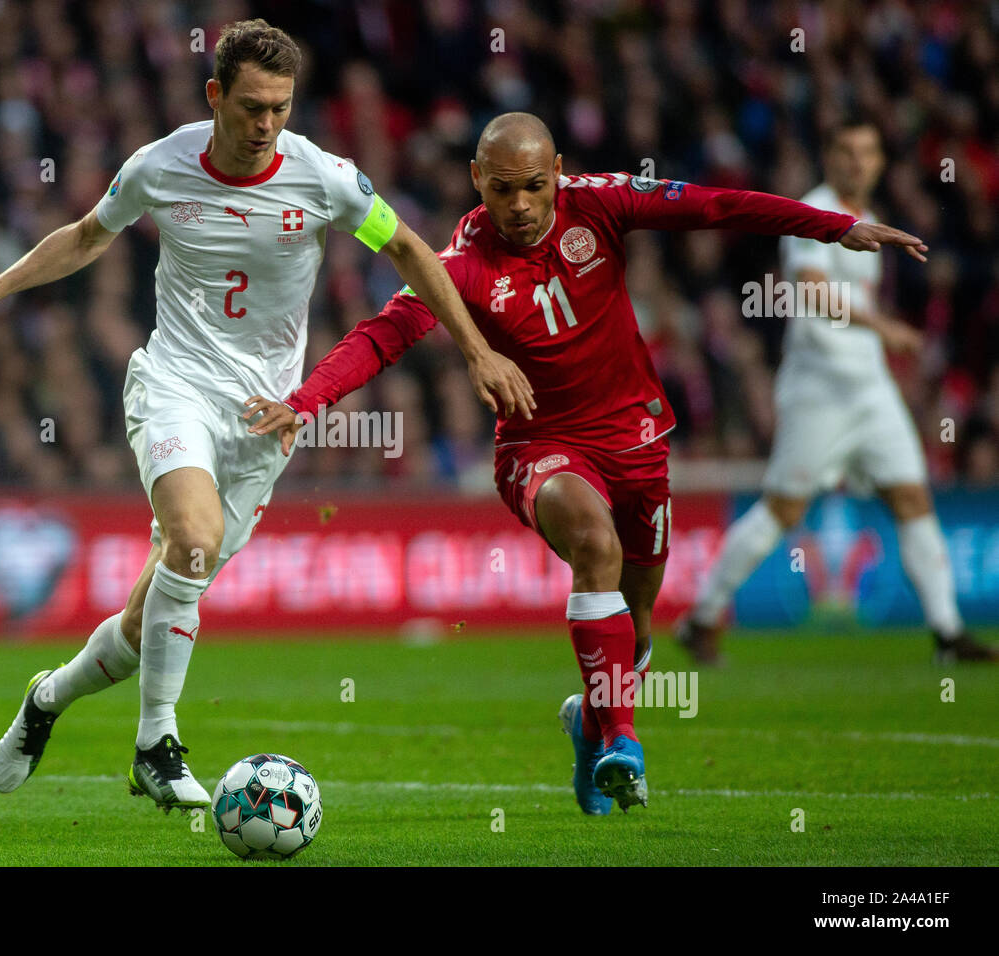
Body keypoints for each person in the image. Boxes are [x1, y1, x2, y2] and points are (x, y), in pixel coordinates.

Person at [245, 112, 929, 814]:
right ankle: (622, 745)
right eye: (502, 189)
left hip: (636, 438)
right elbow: (382, 335)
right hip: (539, 447)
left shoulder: (601, 200)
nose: (518, 205)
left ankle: (589, 721)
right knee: (594, 546)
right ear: (477, 179)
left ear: (559, 171)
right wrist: (306, 401)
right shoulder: (461, 265)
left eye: (534, 187)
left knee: (636, 624)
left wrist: (833, 226)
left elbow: (714, 204)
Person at [0, 20, 533, 811]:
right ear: (215, 95)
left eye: (281, 109)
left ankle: (47, 697)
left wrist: (473, 351)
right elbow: (87, 235)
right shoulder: (161, 166)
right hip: (176, 383)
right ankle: (156, 744)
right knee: (194, 540)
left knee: (145, 618)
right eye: (252, 107)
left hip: (265, 420)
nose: (265, 126)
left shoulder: (322, 177)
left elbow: (409, 252)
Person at [679, 120, 996, 665]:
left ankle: (947, 634)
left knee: (911, 497)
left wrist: (880, 338)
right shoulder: (815, 212)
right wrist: (885, 328)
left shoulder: (869, 219)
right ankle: (703, 616)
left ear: (878, 162)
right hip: (818, 390)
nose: (858, 162)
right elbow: (814, 294)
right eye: (847, 151)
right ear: (829, 156)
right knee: (783, 508)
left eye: (868, 152)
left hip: (870, 388)